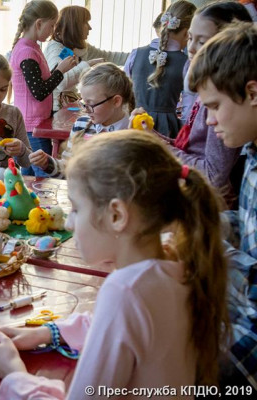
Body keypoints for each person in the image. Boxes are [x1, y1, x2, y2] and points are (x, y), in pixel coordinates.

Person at [0, 130, 228, 398]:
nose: (67, 223)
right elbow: (121, 328)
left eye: (76, 209)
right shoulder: (175, 261)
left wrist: (13, 373)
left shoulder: (125, 291)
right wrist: (50, 332)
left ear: (116, 215)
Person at [187, 22, 257, 388]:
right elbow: (248, 225)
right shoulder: (252, 152)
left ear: (252, 92)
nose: (209, 120)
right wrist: (194, 222)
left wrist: (190, 374)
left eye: (214, 106)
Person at [133, 2, 251, 209]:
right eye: (190, 38)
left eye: (202, 41)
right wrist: (152, 136)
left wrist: (161, 146)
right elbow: (192, 147)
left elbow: (214, 175)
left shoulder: (227, 108)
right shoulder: (212, 96)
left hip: (207, 204)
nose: (191, 48)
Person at [30, 63, 134, 177]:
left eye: (91, 104)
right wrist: (46, 163)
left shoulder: (132, 132)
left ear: (116, 101)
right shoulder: (81, 124)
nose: (86, 110)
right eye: (84, 103)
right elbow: (68, 168)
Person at [10, 0, 77, 177]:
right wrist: (60, 71)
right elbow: (39, 92)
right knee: (44, 176)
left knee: (29, 175)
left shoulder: (33, 48)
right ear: (39, 23)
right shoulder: (27, 51)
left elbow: (40, 82)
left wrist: (59, 70)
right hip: (32, 126)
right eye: (52, 25)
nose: (53, 30)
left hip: (33, 123)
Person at [126, 1, 196, 137]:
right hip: (167, 128)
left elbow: (125, 91)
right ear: (188, 33)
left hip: (135, 122)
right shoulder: (187, 63)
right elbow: (189, 107)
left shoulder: (136, 54)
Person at [44, 5, 128, 112]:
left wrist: (138, 55)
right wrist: (88, 65)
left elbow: (110, 57)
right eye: (86, 23)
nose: (90, 27)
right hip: (54, 112)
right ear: (75, 25)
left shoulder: (78, 47)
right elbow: (60, 82)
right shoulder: (57, 48)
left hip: (67, 108)